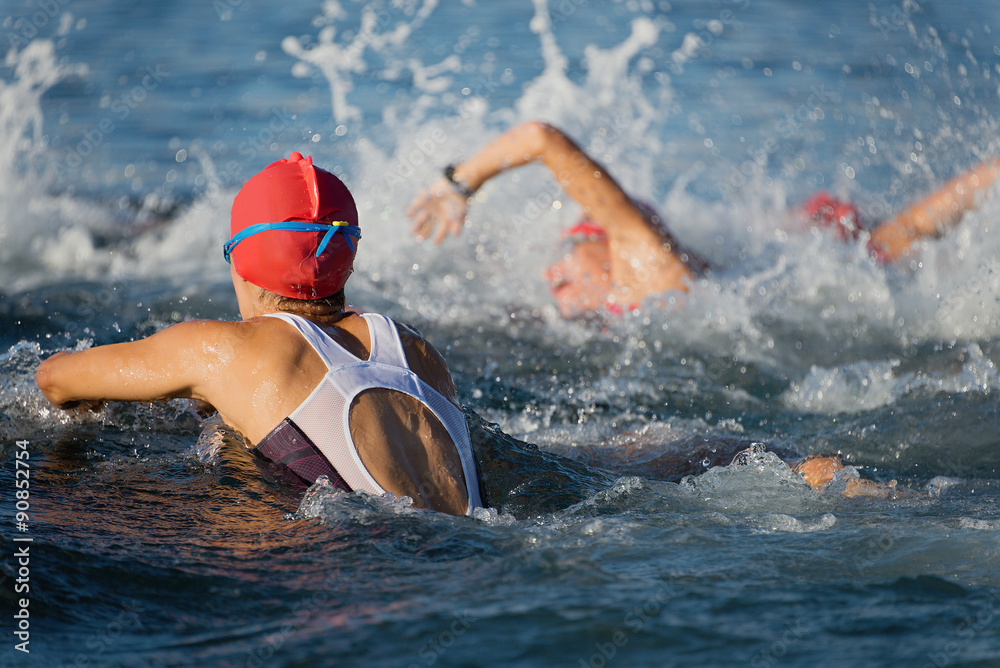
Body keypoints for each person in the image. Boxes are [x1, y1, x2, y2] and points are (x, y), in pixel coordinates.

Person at [36, 152, 484, 516]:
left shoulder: (222, 350)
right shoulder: (415, 347)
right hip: (466, 559)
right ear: (349, 254)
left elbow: (54, 378)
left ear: (241, 259)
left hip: (359, 576)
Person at [408, 120, 1000, 318]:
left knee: (887, 246)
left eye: (569, 251)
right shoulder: (646, 288)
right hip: (795, 272)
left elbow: (540, 136)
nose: (552, 274)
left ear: (614, 247)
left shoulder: (648, 268)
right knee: (887, 243)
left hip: (816, 288)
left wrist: (460, 182)